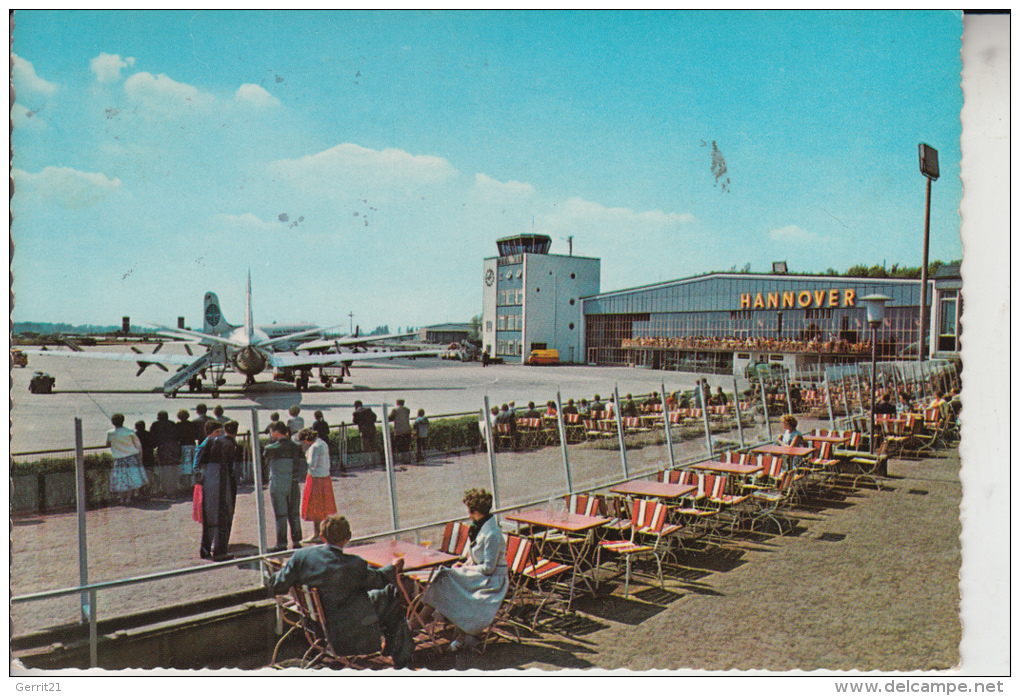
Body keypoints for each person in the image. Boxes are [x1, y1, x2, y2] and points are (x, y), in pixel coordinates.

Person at [268, 515, 414, 669]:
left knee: (383, 596)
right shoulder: (353, 565)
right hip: (347, 628)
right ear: (348, 537)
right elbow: (379, 579)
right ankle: (402, 657)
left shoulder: (302, 557)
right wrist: (393, 566)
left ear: (322, 536)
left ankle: (394, 648)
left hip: (316, 621)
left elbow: (278, 584)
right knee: (389, 594)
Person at [421, 488, 508, 652]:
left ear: (474, 512)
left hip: (493, 581)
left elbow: (489, 568)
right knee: (444, 577)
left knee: (444, 578)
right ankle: (419, 622)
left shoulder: (492, 535)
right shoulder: (478, 528)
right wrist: (464, 565)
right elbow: (474, 557)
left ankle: (417, 623)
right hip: (479, 575)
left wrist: (466, 568)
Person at [195, 420, 244, 561]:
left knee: (209, 515)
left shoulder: (211, 441)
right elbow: (237, 471)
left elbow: (201, 461)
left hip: (209, 479)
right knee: (225, 515)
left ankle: (205, 549)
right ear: (236, 431)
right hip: (225, 480)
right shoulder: (235, 447)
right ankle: (220, 550)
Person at [263, 422, 305, 552]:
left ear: (276, 432)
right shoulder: (296, 446)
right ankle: (297, 540)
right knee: (294, 513)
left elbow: (264, 461)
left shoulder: (271, 448)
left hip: (277, 484)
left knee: (281, 515)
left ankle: (281, 543)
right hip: (293, 482)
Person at [300, 428, 337, 543]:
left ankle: (317, 534)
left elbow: (312, 464)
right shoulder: (323, 443)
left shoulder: (314, 447)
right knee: (324, 508)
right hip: (325, 477)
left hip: (316, 479)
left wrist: (306, 455)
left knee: (315, 508)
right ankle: (324, 532)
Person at [106, 413, 149, 505]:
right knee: (131, 478)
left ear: (113, 423)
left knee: (121, 479)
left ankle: (122, 499)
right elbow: (138, 444)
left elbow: (107, 443)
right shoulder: (129, 431)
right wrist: (140, 455)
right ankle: (129, 498)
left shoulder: (110, 433)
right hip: (131, 457)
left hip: (119, 458)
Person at [149, 410, 179, 498]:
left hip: (162, 449)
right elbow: (177, 436)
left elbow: (152, 437)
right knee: (173, 470)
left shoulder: (155, 425)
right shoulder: (172, 424)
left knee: (164, 471)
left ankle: (167, 491)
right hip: (173, 448)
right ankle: (173, 490)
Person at [353, 401, 379, 466]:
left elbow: (355, 422)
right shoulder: (369, 410)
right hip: (372, 431)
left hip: (364, 432)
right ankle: (375, 463)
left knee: (365, 449)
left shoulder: (356, 413)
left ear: (355, 406)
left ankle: (367, 464)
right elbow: (375, 418)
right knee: (373, 447)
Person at [177, 409, 197, 487]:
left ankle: (186, 484)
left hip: (183, 446)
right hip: (192, 445)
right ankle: (192, 483)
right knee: (192, 465)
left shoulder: (178, 425)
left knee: (185, 466)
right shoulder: (192, 424)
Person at [134, 420, 156, 489]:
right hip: (149, 456)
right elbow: (154, 445)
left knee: (139, 474)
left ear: (136, 427)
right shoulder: (149, 434)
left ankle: (141, 490)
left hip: (138, 457)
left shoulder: (134, 435)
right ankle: (148, 489)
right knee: (149, 474)